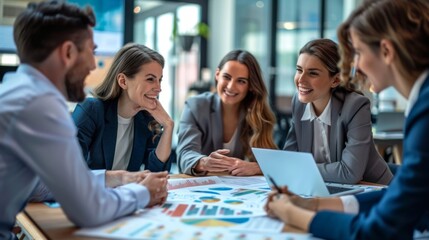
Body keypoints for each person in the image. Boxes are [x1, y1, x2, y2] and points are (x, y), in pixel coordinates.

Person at [0, 2, 168, 239]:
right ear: (68, 53)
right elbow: (89, 210)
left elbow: (39, 185)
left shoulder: (17, 91)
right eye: (92, 50)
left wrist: (117, 177)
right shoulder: (40, 104)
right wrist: (143, 192)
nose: (92, 64)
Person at [266, 0, 429, 239]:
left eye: (359, 53)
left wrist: (294, 214)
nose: (355, 66)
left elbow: (374, 232)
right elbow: (404, 199)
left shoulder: (424, 112)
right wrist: (313, 205)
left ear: (386, 51)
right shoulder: (421, 103)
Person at [283, 39, 392, 185]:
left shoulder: (355, 106)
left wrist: (301, 169)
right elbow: (287, 161)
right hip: (324, 186)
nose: (301, 80)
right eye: (299, 70)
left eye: (313, 73)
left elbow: (349, 173)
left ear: (335, 80)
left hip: (372, 189)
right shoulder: (299, 102)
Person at [72, 43, 173, 172]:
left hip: (123, 192)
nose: (158, 88)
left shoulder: (146, 119)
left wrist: (168, 126)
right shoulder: (91, 110)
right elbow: (68, 170)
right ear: (123, 81)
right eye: (150, 79)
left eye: (160, 80)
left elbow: (157, 173)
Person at [177, 50, 277, 176]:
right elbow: (185, 154)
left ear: (250, 86)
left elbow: (275, 163)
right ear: (217, 75)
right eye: (227, 77)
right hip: (205, 187)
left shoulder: (258, 113)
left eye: (241, 81)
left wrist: (256, 167)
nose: (230, 87)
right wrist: (203, 162)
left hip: (240, 189)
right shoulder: (195, 106)